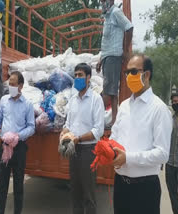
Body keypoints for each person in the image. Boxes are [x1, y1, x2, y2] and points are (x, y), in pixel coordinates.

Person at [110, 55, 172, 214]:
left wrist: (128, 157)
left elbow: (162, 154)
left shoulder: (159, 109)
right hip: (121, 186)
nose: (129, 77)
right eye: (126, 72)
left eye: (133, 71)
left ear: (147, 74)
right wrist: (109, 151)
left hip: (145, 189)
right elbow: (114, 136)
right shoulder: (124, 106)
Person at [60, 63, 105, 214]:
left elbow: (98, 130)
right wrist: (64, 134)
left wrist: (78, 139)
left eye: (80, 75)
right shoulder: (73, 100)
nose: (77, 78)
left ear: (88, 77)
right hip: (74, 149)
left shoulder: (96, 99)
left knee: (89, 193)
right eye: (76, 75)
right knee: (75, 191)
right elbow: (68, 124)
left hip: (88, 150)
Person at [0, 71, 35, 214]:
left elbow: (31, 127)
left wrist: (18, 136)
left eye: (13, 84)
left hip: (19, 148)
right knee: (2, 185)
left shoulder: (28, 104)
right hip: (4, 147)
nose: (10, 86)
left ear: (21, 86)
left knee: (18, 185)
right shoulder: (4, 100)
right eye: (9, 84)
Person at [97, 0, 134, 128]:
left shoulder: (116, 12)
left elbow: (129, 27)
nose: (102, 2)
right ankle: (113, 121)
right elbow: (107, 41)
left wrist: (124, 49)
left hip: (113, 56)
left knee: (109, 91)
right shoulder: (107, 15)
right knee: (111, 90)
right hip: (107, 56)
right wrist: (101, 59)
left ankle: (105, 121)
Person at [166, 93, 178, 214]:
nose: (176, 104)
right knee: (172, 193)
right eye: (174, 102)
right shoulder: (170, 119)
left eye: (177, 101)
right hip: (170, 164)